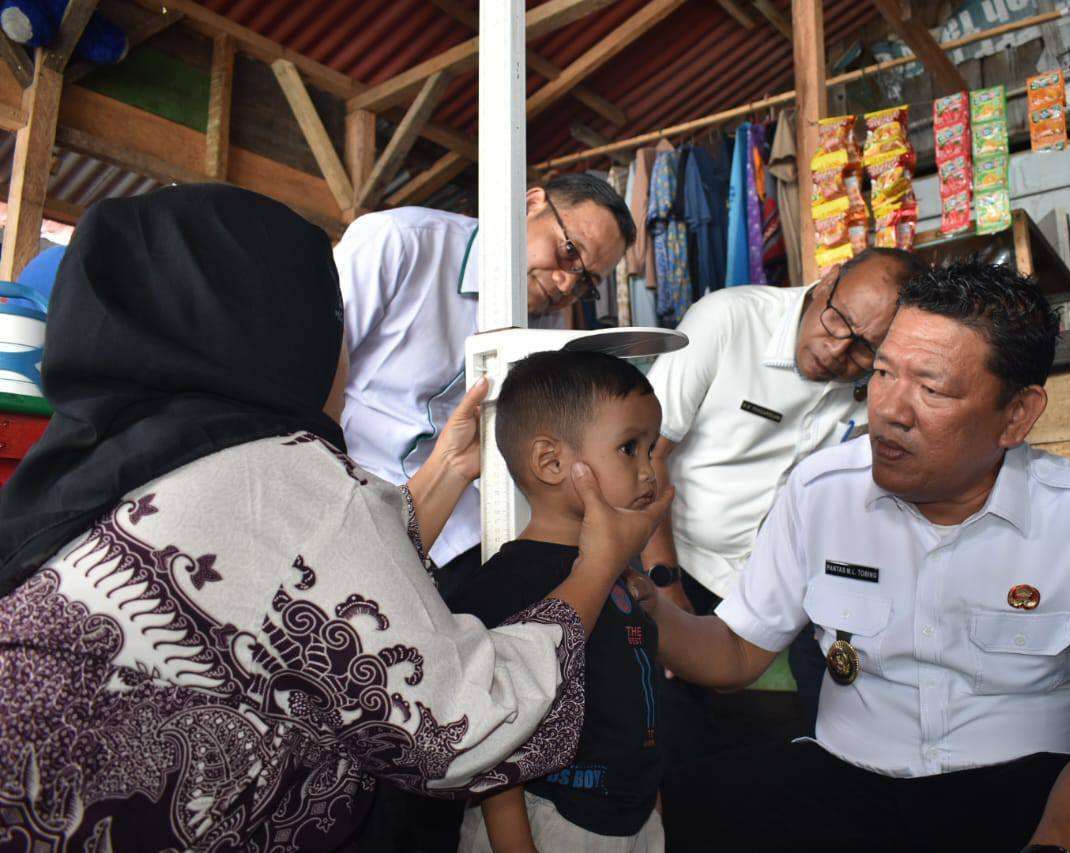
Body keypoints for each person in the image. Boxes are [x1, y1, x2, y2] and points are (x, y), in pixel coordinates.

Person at [0, 185, 670, 851]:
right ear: (291, 329)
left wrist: (446, 467)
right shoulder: (290, 475)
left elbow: (297, 576)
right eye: (331, 317)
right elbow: (460, 727)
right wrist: (599, 565)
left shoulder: (117, 457)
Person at [632, 261, 1070, 852]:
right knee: (671, 811)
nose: (890, 410)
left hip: (1022, 792)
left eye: (932, 389)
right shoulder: (820, 490)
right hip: (848, 782)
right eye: (884, 373)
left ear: (1017, 415)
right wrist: (645, 606)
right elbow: (736, 651)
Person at [640, 247, 925, 746]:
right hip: (681, 561)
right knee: (675, 722)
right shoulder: (727, 321)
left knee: (837, 701)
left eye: (864, 348)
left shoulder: (878, 381)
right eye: (838, 321)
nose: (837, 351)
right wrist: (665, 584)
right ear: (826, 282)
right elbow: (646, 455)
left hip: (784, 575)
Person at [334, 173, 636, 598]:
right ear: (530, 204)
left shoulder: (545, 320)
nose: (567, 283)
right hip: (347, 484)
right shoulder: (402, 242)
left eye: (586, 281)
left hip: (456, 513)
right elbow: (307, 373)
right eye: (569, 251)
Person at [451, 351, 665, 853]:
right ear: (550, 462)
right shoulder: (503, 586)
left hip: (632, 818)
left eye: (652, 449)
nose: (649, 471)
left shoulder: (620, 577)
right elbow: (492, 743)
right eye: (629, 448)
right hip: (547, 823)